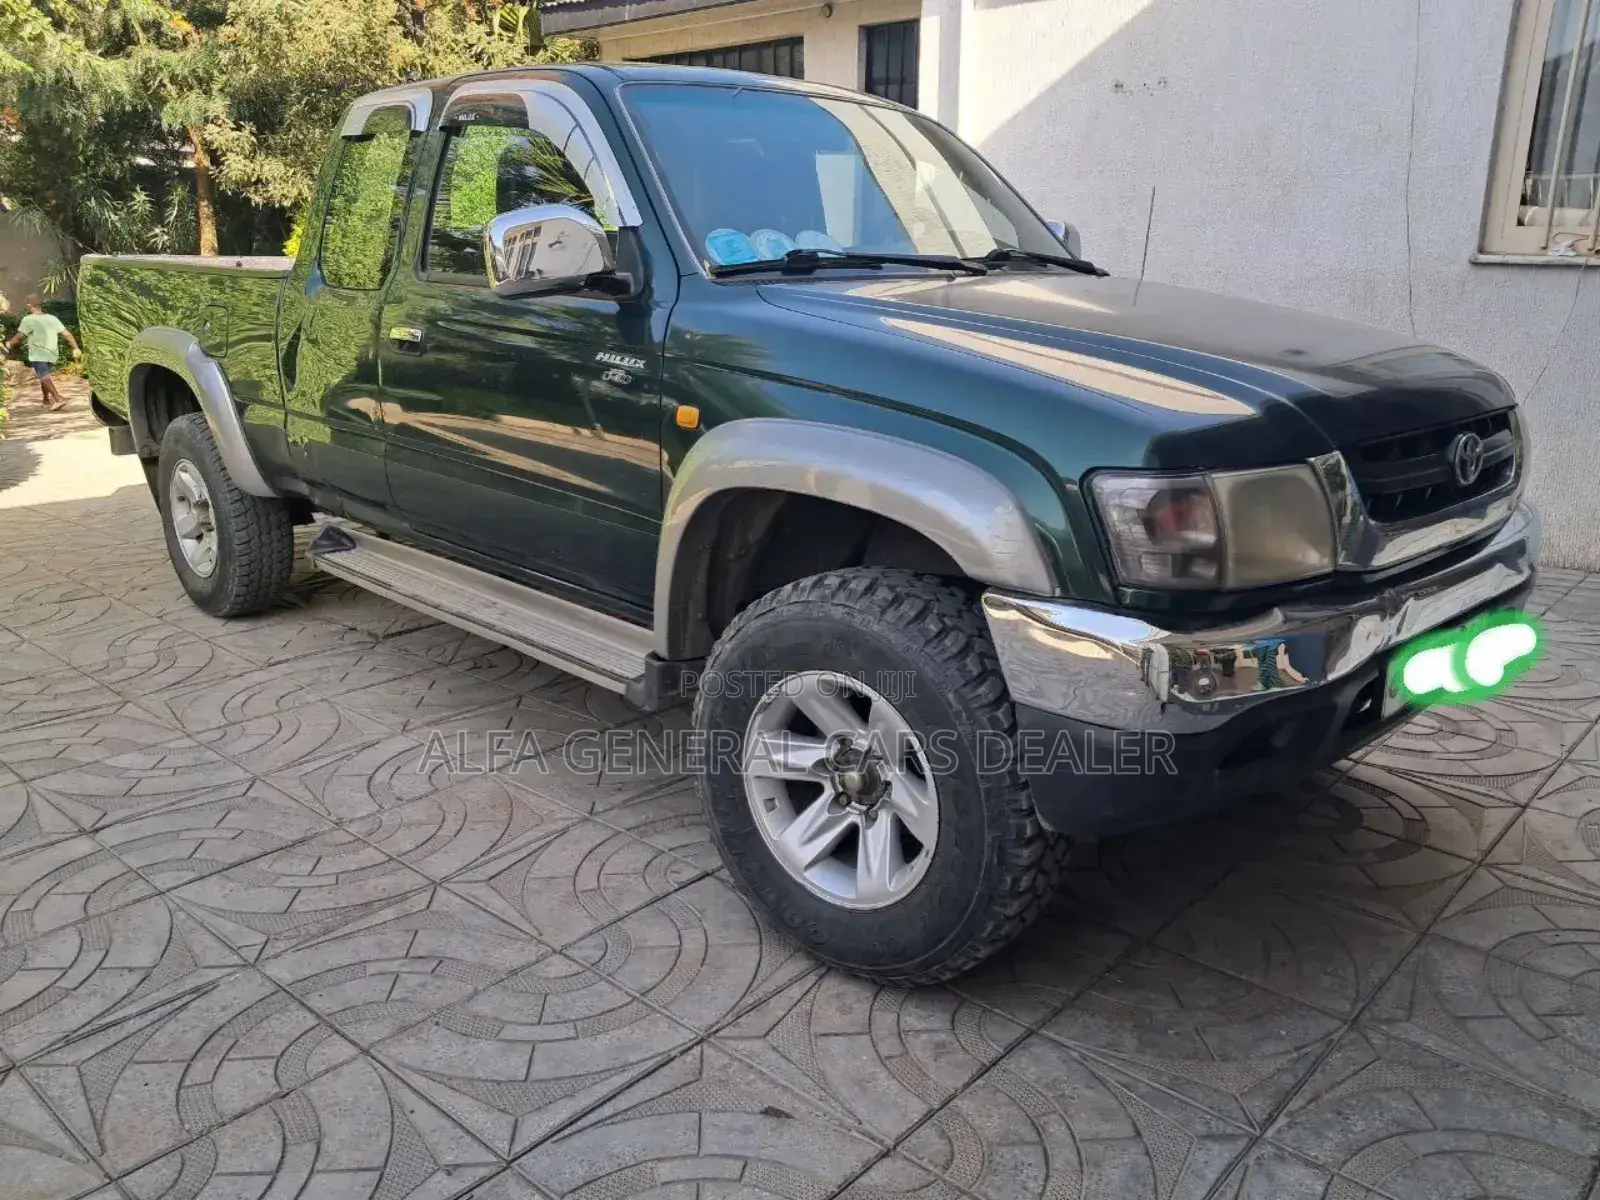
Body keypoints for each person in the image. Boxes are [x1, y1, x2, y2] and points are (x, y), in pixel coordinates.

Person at [5, 295, 81, 411]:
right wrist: (76, 348)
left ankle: (58, 398)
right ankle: (46, 400)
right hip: (52, 353)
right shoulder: (52, 318)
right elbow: (67, 334)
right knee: (44, 376)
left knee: (43, 376)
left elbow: (20, 336)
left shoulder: (28, 319)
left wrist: (9, 344)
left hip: (38, 354)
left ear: (29, 305)